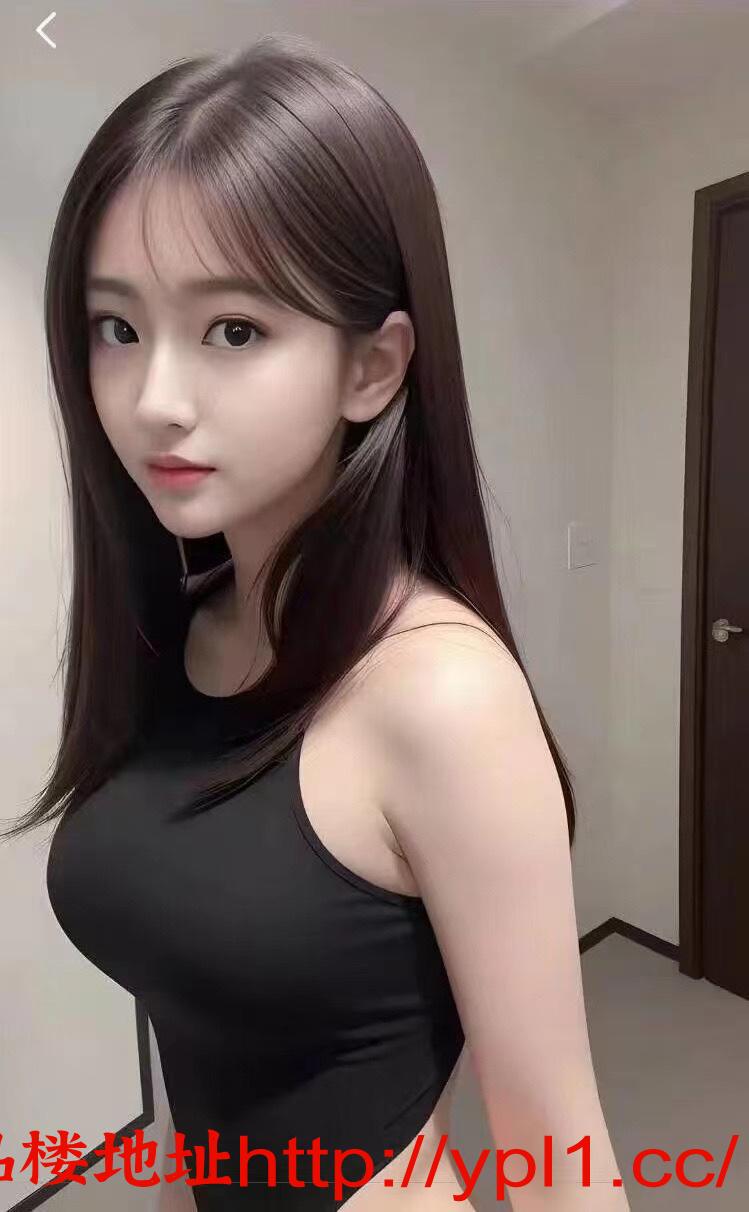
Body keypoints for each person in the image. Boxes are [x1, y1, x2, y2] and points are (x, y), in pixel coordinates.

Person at [5, 33, 629, 1211]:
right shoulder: (181, 630)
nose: (155, 400)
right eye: (116, 328)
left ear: (370, 368)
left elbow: (558, 1153)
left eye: (233, 330)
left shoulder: (442, 697)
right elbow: (205, 1019)